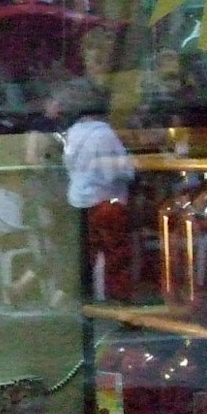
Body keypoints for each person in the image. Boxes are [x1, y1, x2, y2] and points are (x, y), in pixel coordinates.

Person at [54, 78, 135, 301]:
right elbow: (116, 171)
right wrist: (132, 167)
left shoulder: (72, 134)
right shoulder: (104, 134)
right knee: (116, 255)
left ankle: (74, 296)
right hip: (107, 202)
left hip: (79, 201)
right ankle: (119, 299)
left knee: (85, 255)